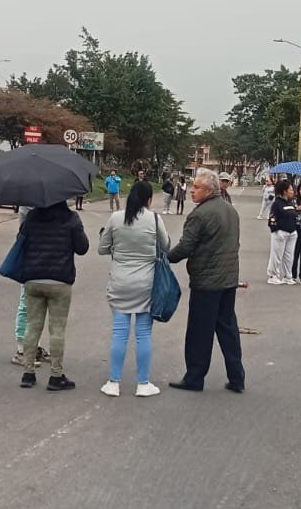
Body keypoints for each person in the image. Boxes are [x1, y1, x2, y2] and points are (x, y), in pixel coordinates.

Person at [168, 168, 245, 393]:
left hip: (207, 281)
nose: (192, 191)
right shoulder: (231, 211)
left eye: (197, 187)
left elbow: (186, 247)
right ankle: (237, 377)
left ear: (209, 190)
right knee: (227, 328)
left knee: (199, 332)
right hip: (228, 279)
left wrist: (165, 258)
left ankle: (194, 377)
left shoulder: (200, 214)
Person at [97, 179, 167, 397]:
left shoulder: (116, 218)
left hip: (120, 282)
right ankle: (143, 383)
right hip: (146, 284)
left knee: (119, 332)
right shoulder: (155, 220)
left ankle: (114, 382)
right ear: (149, 199)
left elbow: (102, 249)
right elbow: (165, 247)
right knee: (143, 334)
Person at [14, 196, 91, 391]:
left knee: (32, 327)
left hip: (33, 279)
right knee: (57, 330)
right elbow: (82, 248)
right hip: (60, 280)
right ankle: (56, 376)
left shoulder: (31, 217)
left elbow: (20, 242)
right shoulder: (71, 218)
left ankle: (28, 374)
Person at [266, 178, 298, 285]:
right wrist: (276, 230)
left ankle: (287, 276)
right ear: (284, 191)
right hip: (280, 233)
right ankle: (273, 275)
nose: (292, 191)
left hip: (292, 233)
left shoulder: (291, 202)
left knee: (289, 256)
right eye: (290, 190)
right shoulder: (277, 204)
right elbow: (272, 219)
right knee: (277, 255)